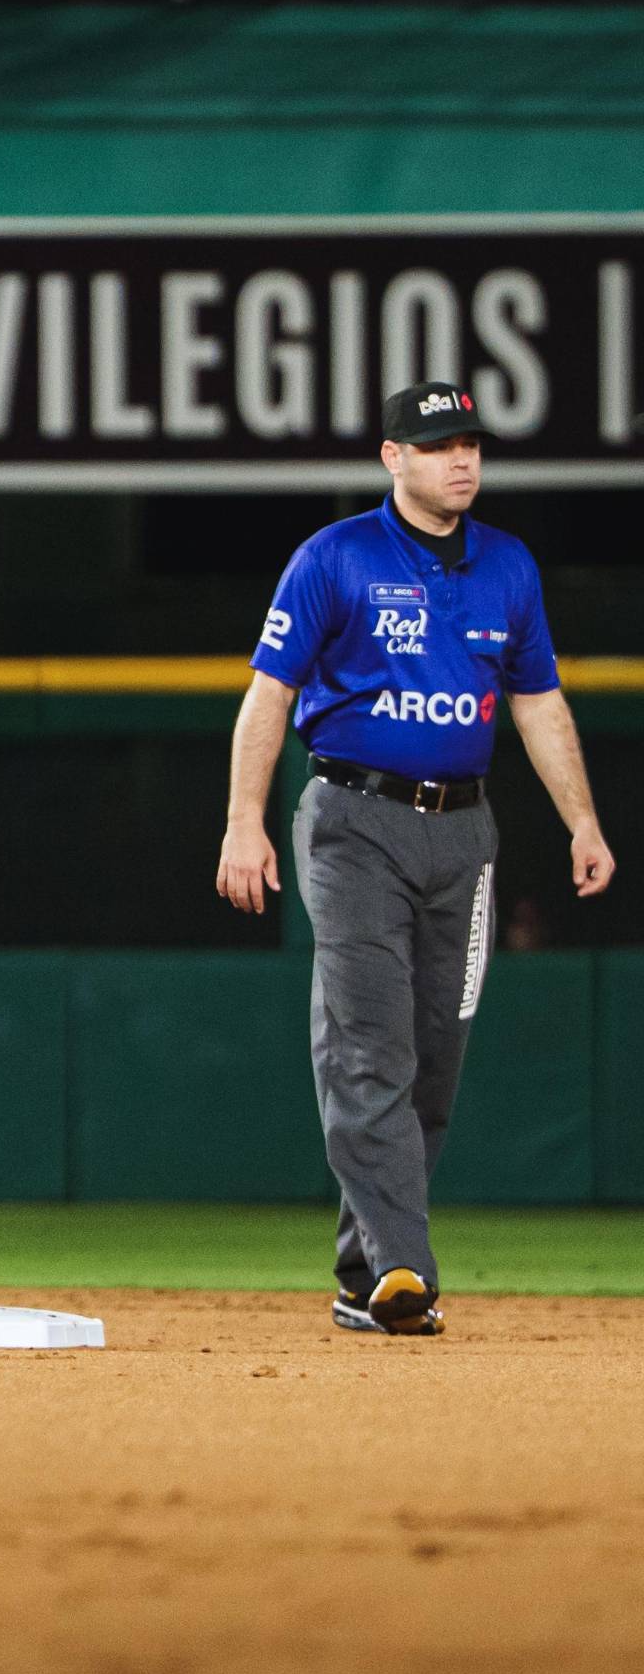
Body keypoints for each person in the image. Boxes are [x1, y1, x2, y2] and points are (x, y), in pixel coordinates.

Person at [215, 381, 615, 1337]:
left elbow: (540, 705)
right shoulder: (336, 558)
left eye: (471, 443)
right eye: (438, 446)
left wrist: (583, 824)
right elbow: (268, 694)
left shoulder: (509, 567)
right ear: (393, 457)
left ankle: (365, 1274)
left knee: (435, 1062)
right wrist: (243, 819)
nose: (462, 460)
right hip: (354, 820)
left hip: (464, 835)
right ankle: (405, 1266)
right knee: (370, 1047)